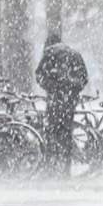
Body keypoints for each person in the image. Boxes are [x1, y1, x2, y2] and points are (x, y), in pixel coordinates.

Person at [34, 33, 91, 177]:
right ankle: (66, 168)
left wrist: (52, 88)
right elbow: (84, 78)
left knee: (51, 132)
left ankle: (51, 166)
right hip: (69, 102)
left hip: (54, 101)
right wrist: (72, 90)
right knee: (66, 134)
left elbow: (39, 75)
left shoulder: (49, 54)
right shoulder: (75, 54)